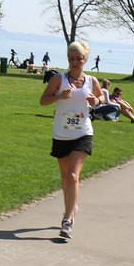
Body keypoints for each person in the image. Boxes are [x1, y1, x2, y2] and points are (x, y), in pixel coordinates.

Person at [39, 40, 103, 240]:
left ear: (85, 60)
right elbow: (43, 101)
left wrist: (96, 101)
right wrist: (59, 96)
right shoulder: (59, 79)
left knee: (73, 176)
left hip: (83, 133)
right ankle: (72, 205)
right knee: (65, 176)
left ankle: (67, 220)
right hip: (61, 133)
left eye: (79, 58)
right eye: (71, 58)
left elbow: (101, 99)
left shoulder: (92, 81)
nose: (75, 62)